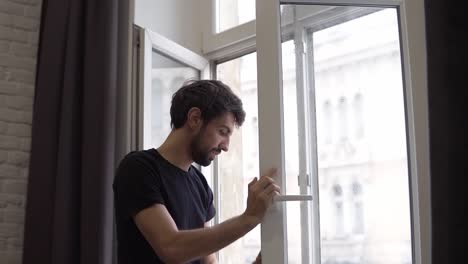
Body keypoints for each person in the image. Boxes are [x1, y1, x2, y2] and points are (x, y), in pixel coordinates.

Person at [113, 80, 280, 264]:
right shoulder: (138, 168)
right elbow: (171, 247)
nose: (225, 146)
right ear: (194, 118)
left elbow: (207, 261)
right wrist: (249, 218)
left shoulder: (199, 183)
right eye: (222, 131)